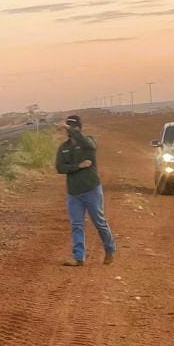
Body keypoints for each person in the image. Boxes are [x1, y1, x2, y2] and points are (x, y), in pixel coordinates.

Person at [55, 114, 116, 266]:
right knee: (76, 225)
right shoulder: (64, 148)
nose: (70, 130)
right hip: (74, 193)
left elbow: (86, 143)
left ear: (79, 128)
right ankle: (78, 257)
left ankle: (109, 250)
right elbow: (60, 168)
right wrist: (78, 166)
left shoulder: (89, 142)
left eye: (73, 127)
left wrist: (71, 129)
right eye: (68, 127)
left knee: (99, 222)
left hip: (91, 190)